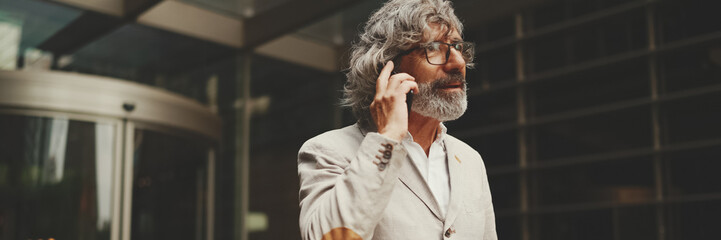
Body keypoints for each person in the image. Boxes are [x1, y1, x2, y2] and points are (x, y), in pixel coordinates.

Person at [297, 0, 497, 239]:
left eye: (456, 46)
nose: (458, 63)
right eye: (433, 48)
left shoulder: (470, 160)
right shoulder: (328, 151)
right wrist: (387, 138)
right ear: (388, 69)